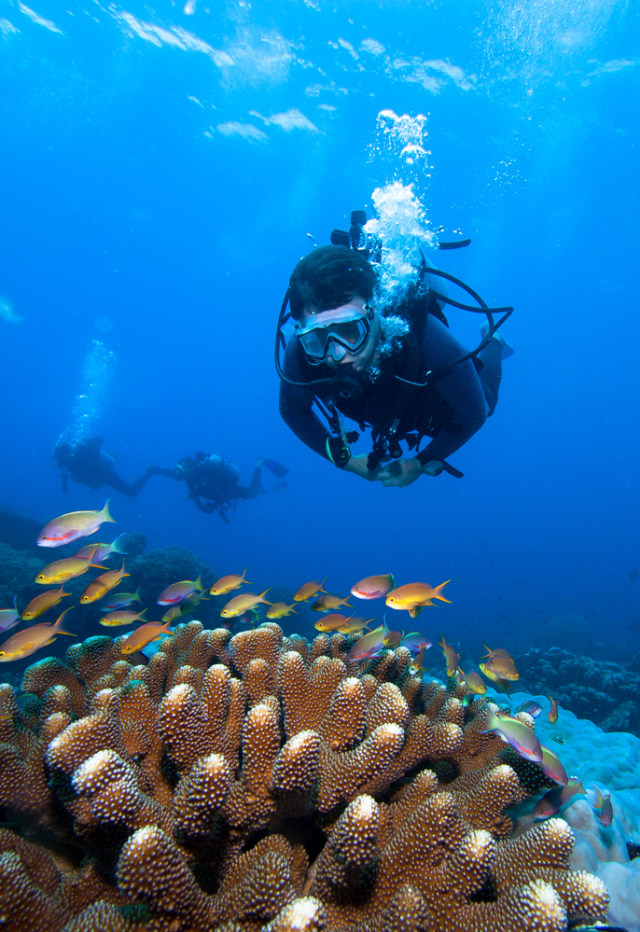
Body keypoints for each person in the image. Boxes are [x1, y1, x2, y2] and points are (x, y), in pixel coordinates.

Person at [277, 233, 513, 487]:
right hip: (388, 408)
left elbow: (473, 415)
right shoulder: (300, 350)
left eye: (349, 331)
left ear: (374, 310)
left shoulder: (425, 337)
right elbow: (292, 410)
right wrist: (343, 459)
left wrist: (420, 462)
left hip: (421, 393)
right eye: (317, 339)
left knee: (486, 402)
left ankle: (495, 341)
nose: (337, 355)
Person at [147, 453, 287, 522]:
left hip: (229, 490)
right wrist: (157, 471)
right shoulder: (189, 476)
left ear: (187, 468)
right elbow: (171, 474)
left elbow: (220, 496)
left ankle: (259, 463)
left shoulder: (201, 479)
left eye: (179, 469)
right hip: (223, 490)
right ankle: (260, 481)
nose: (177, 472)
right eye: (177, 469)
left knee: (253, 494)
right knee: (254, 492)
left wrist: (213, 507)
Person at [53, 436, 152, 497]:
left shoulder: (78, 455)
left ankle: (150, 472)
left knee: (131, 493)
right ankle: (150, 472)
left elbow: (98, 440)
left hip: (104, 474)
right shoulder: (70, 463)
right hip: (101, 477)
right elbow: (66, 488)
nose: (59, 463)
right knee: (130, 493)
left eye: (59, 459)